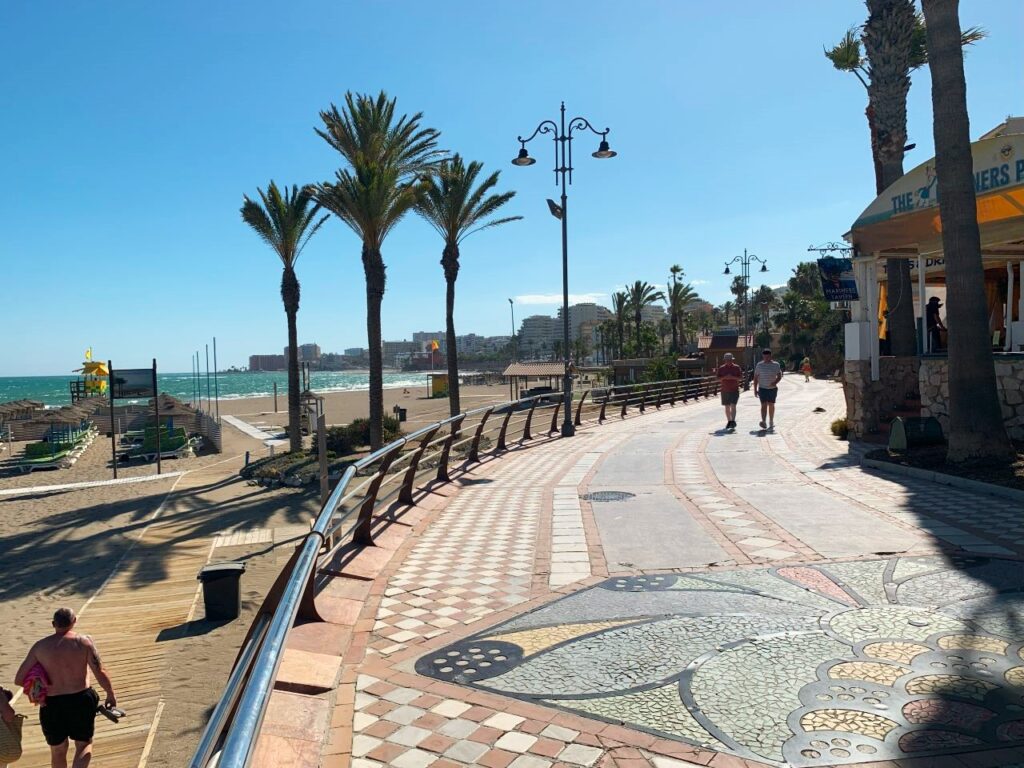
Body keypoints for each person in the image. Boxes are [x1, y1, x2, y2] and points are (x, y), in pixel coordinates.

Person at [15, 608, 116, 768]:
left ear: (53, 624)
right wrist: (110, 693)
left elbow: (19, 679)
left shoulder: (40, 647)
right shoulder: (84, 642)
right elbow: (99, 671)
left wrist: (40, 690)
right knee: (84, 744)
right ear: (74, 621)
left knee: (58, 750)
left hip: (51, 704)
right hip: (81, 699)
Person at [753, 348, 783, 430]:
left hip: (772, 389)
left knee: (771, 404)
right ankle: (763, 421)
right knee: (763, 405)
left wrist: (775, 382)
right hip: (762, 388)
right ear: (763, 356)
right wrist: (755, 390)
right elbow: (755, 378)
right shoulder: (759, 365)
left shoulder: (776, 365)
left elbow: (779, 375)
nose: (766, 358)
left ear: (770, 356)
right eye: (765, 357)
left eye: (768, 357)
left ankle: (771, 420)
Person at [716, 352, 742, 430]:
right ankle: (729, 421)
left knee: (733, 405)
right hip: (724, 390)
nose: (728, 361)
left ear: (732, 360)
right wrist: (725, 377)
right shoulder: (721, 368)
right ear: (725, 360)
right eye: (727, 360)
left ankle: (733, 421)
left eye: (730, 360)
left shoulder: (737, 367)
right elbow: (717, 378)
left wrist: (732, 377)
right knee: (727, 406)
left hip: (734, 390)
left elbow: (741, 378)